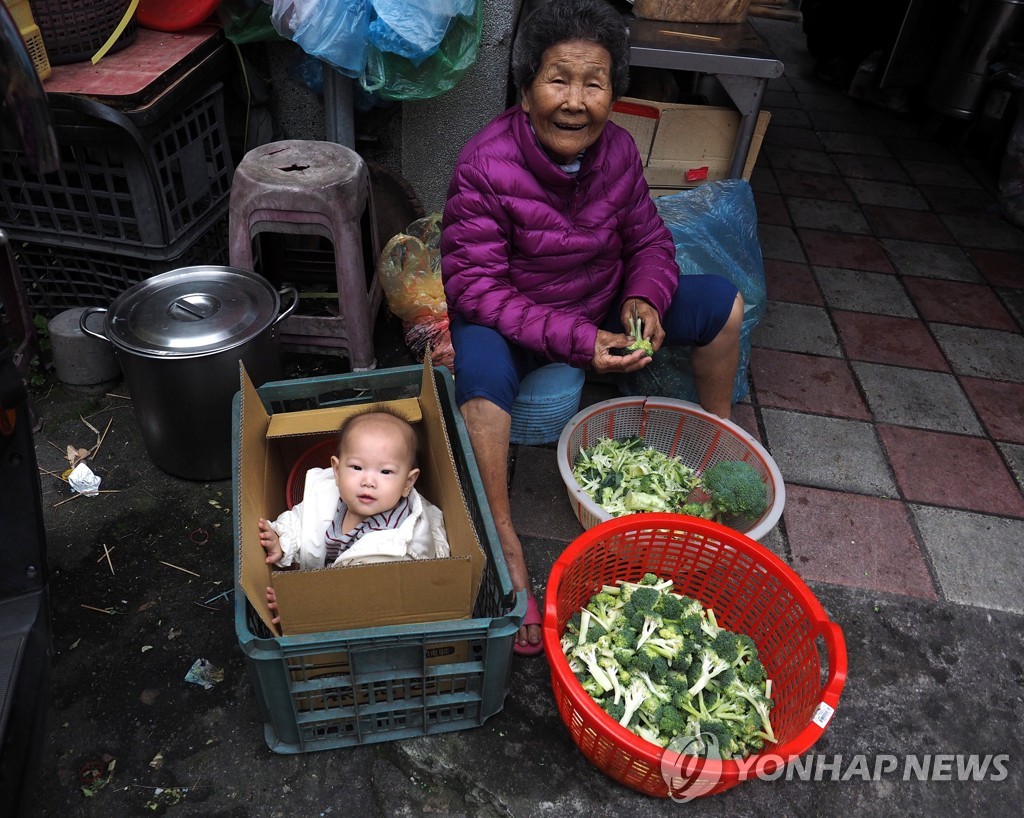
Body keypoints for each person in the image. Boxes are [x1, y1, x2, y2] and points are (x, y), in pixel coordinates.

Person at [440, 0, 744, 656]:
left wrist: (644, 299)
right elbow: (477, 289)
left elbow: (651, 242)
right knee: (482, 373)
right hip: (513, 317)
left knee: (723, 305)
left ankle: (716, 456)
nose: (576, 101)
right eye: (559, 79)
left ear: (613, 92)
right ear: (525, 92)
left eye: (595, 82)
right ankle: (503, 540)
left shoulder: (619, 154)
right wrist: (581, 342)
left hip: (597, 300)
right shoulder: (484, 165)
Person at [258, 406, 450, 625]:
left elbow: (366, 601)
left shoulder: (398, 547)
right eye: (357, 467)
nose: (368, 481)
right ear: (337, 471)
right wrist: (282, 541)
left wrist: (306, 607)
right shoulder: (329, 494)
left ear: (408, 482)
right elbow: (303, 519)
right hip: (328, 584)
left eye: (385, 471)